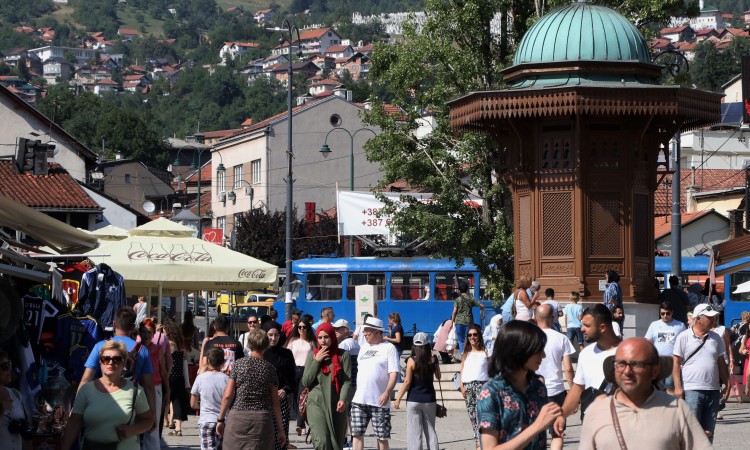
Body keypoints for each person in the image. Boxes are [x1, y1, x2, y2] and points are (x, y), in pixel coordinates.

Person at [579, 338, 712, 449]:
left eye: (636, 364)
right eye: (621, 364)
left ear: (654, 371)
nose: (627, 371)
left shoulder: (677, 409)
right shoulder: (596, 412)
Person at [477, 320, 561, 449]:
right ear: (519, 350)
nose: (543, 355)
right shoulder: (491, 393)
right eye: (537, 350)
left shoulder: (538, 388)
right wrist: (538, 425)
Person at [62, 341, 151, 450]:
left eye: (116, 359)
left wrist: (132, 430)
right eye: (106, 359)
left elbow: (148, 421)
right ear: (100, 362)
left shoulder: (135, 390)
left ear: (123, 364)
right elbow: (74, 423)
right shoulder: (86, 390)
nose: (110, 363)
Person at [78, 308, 156, 418]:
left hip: (102, 399)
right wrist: (152, 414)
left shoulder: (101, 346)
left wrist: (77, 408)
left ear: (114, 324)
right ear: (133, 327)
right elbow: (149, 386)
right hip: (130, 404)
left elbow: (86, 379)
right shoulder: (141, 350)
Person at [554, 305, 619, 435]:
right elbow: (578, 388)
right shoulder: (585, 353)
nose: (582, 329)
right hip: (591, 425)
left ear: (602, 327)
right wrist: (562, 415)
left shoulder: (627, 352)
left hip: (618, 426)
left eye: (587, 325)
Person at [216, 329, 286, 450]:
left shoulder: (238, 365)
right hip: (262, 420)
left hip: (238, 417)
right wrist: (281, 429)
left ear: (249, 344)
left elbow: (228, 395)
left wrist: (220, 419)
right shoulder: (270, 369)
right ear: (266, 345)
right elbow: (275, 403)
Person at [672, 304, 729, 442]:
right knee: (692, 431)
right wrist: (678, 387)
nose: (714, 319)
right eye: (710, 317)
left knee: (709, 432)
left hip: (713, 390)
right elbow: (675, 363)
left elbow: (721, 363)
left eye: (714, 317)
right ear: (698, 319)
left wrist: (727, 384)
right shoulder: (683, 337)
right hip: (692, 390)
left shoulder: (716, 338)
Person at [350, 317, 399, 450]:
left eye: (368, 332)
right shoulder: (364, 348)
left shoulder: (389, 348)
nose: (364, 334)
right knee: (356, 435)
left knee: (382, 437)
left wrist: (387, 392)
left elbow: (394, 373)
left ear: (378, 332)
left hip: (379, 400)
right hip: (359, 399)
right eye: (364, 331)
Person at [302, 323, 352, 450]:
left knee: (336, 443)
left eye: (326, 337)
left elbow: (346, 381)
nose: (323, 341)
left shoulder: (343, 355)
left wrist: (342, 399)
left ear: (332, 337)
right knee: (322, 442)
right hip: (316, 402)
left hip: (336, 403)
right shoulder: (312, 355)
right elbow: (306, 382)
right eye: (319, 337)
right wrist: (317, 361)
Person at [535, 304, 575, 450]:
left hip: (532, 390)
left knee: (534, 433)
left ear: (535, 318)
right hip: (556, 391)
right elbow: (568, 368)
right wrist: (572, 391)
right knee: (557, 433)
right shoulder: (562, 338)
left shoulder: (529, 337)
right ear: (552, 319)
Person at [393, 332, 440, 450]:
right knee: (431, 431)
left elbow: (407, 382)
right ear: (427, 345)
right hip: (429, 399)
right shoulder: (433, 359)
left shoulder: (411, 361)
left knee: (414, 434)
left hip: (413, 399)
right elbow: (439, 377)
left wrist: (398, 398)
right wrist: (435, 362)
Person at [137, 319, 169, 450]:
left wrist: (167, 390)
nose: (146, 335)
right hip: (139, 387)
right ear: (139, 332)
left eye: (149, 332)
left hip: (155, 387)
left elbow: (163, 371)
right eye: (143, 332)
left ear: (154, 333)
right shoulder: (135, 348)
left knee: (153, 426)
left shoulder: (158, 350)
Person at [264, 325, 297, 450]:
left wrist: (285, 389)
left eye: (276, 335)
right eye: (270, 335)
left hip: (280, 398)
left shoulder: (286, 354)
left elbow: (292, 378)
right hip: (264, 399)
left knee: (281, 431)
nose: (273, 338)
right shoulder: (262, 353)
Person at [458, 324, 489, 450]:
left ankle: (482, 443)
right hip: (468, 386)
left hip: (482, 386)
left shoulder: (486, 352)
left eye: (474, 334)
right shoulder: (465, 353)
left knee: (481, 415)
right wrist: (461, 386)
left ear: (479, 336)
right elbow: (462, 370)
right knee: (472, 416)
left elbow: (492, 370)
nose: (472, 337)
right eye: (469, 335)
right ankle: (478, 442)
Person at [190, 348, 229, 450]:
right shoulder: (227, 379)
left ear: (207, 361)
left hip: (206, 421)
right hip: (224, 422)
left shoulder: (200, 378)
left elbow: (193, 404)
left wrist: (202, 405)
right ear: (224, 362)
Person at [644, 301, 686, 393]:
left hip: (673, 362)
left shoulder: (680, 325)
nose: (665, 316)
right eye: (662, 314)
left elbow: (685, 344)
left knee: (670, 387)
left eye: (668, 313)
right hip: (658, 361)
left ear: (672, 312)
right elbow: (648, 342)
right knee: (658, 388)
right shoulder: (654, 325)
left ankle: (670, 406)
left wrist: (683, 361)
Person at [286, 316, 315, 436]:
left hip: (306, 370)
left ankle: (299, 423)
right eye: (299, 327)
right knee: (294, 398)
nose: (302, 329)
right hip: (293, 370)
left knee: (301, 397)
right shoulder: (293, 341)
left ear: (308, 328)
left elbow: (315, 358)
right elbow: (287, 355)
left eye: (304, 327)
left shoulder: (312, 343)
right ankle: (302, 424)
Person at [0, 350, 30, 450]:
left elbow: (26, 436)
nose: (9, 371)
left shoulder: (16, 395)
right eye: (5, 366)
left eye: (9, 364)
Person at [165, 321, 191, 436]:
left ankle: (165, 421)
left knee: (166, 399)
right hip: (180, 377)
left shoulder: (170, 344)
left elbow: (166, 359)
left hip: (170, 376)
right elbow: (185, 363)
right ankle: (178, 428)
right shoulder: (181, 346)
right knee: (177, 402)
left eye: (165, 329)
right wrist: (187, 382)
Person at [451, 280, 485, 355]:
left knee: (460, 340)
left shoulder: (457, 299)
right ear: (467, 289)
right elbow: (482, 306)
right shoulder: (471, 299)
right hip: (468, 322)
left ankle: (462, 355)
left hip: (458, 322)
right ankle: (468, 354)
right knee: (468, 338)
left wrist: (451, 322)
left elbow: (454, 311)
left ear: (459, 290)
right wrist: (482, 314)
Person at [334, 319, 360, 387]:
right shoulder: (354, 342)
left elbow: (341, 363)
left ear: (345, 330)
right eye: (334, 329)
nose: (335, 331)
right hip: (355, 381)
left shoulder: (344, 343)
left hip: (347, 382)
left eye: (337, 329)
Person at [384, 312, 404, 379]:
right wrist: (390, 329)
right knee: (396, 365)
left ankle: (398, 381)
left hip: (397, 349)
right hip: (397, 348)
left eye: (389, 319)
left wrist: (387, 338)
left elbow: (398, 340)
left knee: (395, 366)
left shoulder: (397, 327)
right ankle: (398, 380)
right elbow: (394, 336)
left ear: (392, 319)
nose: (388, 321)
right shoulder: (397, 326)